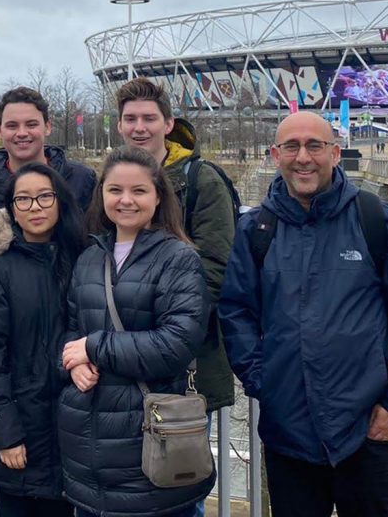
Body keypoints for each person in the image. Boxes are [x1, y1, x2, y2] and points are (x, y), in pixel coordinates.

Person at [218, 111, 388, 517]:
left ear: (335, 153)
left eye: (314, 146)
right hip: (289, 436)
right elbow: (236, 313)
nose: (303, 157)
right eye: (291, 146)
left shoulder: (378, 221)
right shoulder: (256, 230)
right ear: (275, 155)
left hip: (367, 434)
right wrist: (263, 382)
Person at [59, 146, 215, 517]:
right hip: (87, 448)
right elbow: (70, 330)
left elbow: (177, 343)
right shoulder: (90, 256)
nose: (125, 200)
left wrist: (93, 348)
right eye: (115, 190)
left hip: (149, 445)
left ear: (158, 196)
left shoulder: (178, 259)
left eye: (139, 191)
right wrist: (72, 361)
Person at [115, 77, 236, 516]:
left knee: (177, 485)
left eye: (149, 118)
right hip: (122, 362)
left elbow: (217, 268)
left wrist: (151, 316)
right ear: (120, 125)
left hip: (184, 362)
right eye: (131, 119)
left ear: (169, 123)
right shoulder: (112, 181)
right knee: (128, 484)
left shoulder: (201, 180)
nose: (139, 127)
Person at [0, 162, 86, 517]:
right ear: (11, 209)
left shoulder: (83, 257)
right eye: (24, 200)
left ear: (60, 201)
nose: (35, 207)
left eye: (44, 197)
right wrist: (6, 433)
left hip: (73, 432)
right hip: (20, 431)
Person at [0, 86, 96, 220]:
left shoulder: (82, 180)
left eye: (31, 124)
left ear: (47, 127)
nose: (22, 133)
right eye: (12, 126)